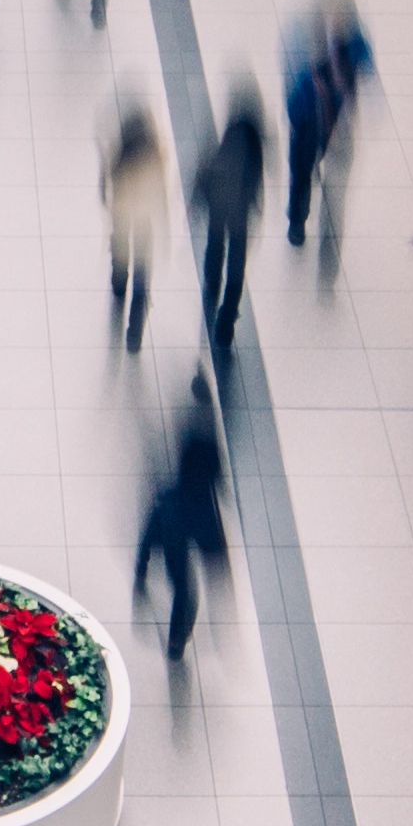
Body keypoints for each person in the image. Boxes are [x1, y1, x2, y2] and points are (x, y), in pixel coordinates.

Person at [128, 380, 229, 662]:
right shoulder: (206, 440)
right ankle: (177, 640)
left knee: (179, 578)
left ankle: (142, 565)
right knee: (186, 590)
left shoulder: (190, 435)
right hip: (196, 514)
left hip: (175, 512)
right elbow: (216, 481)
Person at [279, 0, 370, 249]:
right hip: (307, 124)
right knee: (301, 172)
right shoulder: (307, 57)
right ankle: (297, 220)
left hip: (334, 126)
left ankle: (309, 220)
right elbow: (294, 97)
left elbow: (362, 65)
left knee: (322, 178)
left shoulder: (352, 46)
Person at [191, 76, 269, 342]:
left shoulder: (232, 132)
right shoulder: (257, 140)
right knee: (237, 262)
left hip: (219, 205)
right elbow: (257, 179)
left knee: (215, 246)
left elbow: (212, 165)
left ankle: (211, 284)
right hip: (240, 213)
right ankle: (226, 321)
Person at [101, 95, 168, 349]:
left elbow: (111, 174)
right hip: (144, 217)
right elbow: (160, 188)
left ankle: (118, 283)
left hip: (123, 210)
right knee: (143, 265)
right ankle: (135, 329)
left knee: (120, 247)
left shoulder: (124, 147)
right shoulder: (154, 150)